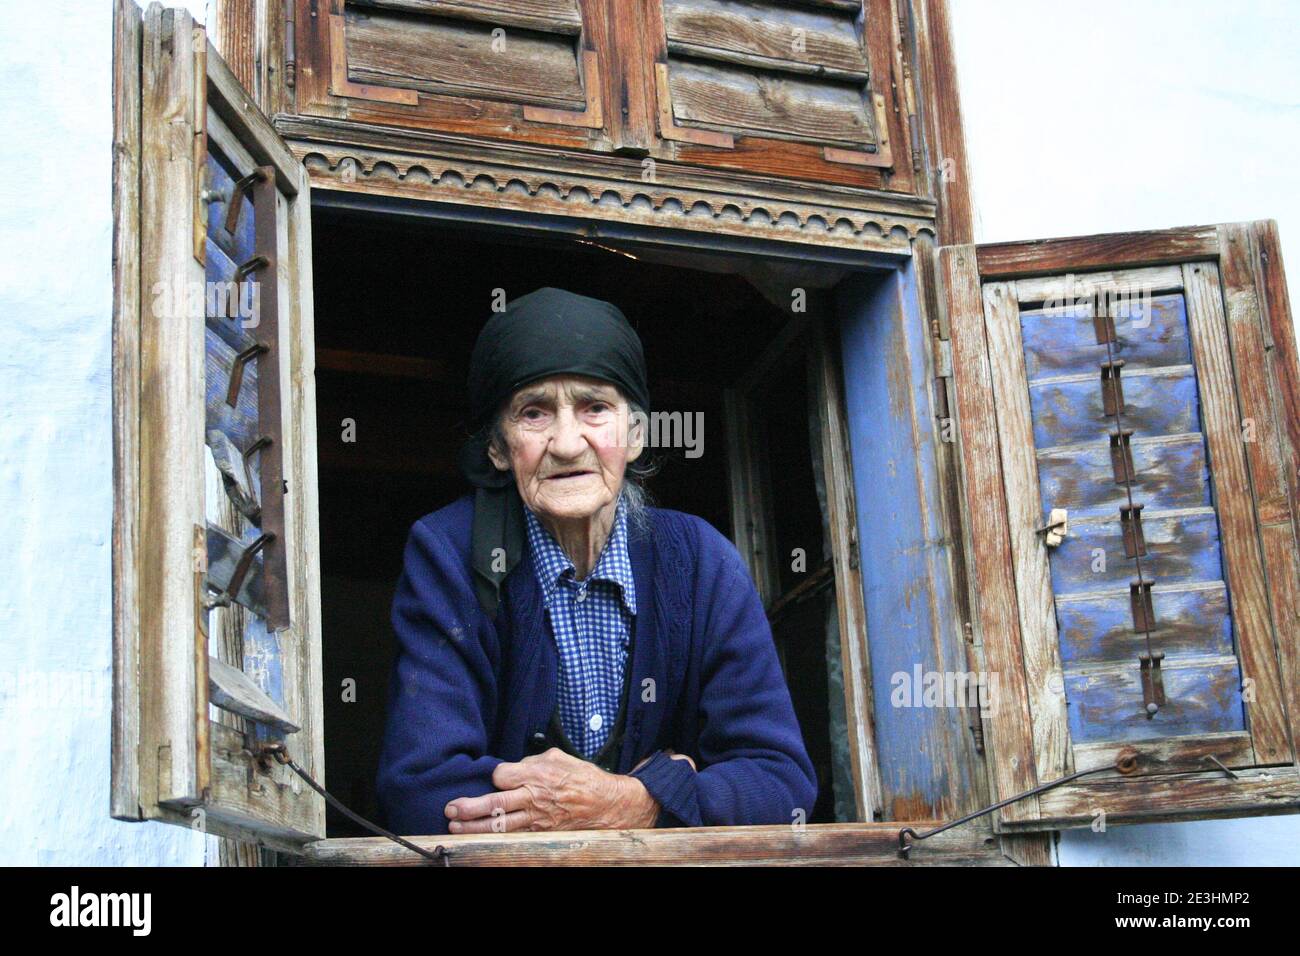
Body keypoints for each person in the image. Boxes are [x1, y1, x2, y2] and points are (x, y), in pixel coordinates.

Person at [375, 287, 816, 835]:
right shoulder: (448, 555)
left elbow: (780, 783)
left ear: (633, 434)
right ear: (497, 447)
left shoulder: (702, 563)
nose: (567, 442)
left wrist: (636, 800)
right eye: (533, 413)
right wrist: (673, 791)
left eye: (595, 408)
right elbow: (420, 789)